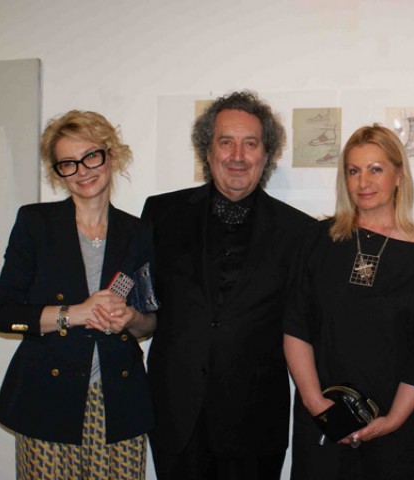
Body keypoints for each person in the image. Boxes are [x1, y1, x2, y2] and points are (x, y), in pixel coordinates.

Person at [283, 124, 414, 480]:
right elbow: (296, 325)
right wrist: (316, 405)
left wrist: (393, 420)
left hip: (399, 432)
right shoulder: (318, 241)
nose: (364, 182)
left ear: (399, 175)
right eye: (353, 171)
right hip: (323, 422)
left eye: (376, 169)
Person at [142, 90, 315, 480]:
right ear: (207, 151)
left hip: (256, 424)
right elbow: (140, 302)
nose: (237, 156)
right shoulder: (161, 215)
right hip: (176, 416)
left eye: (250, 144)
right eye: (226, 142)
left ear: (266, 156)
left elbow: (308, 325)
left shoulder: (300, 232)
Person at [0, 110, 157, 479]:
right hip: (47, 400)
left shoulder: (138, 232)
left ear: (110, 155)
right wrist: (76, 312)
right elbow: (3, 313)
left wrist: (131, 319)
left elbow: (149, 321)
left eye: (91, 156)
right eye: (68, 163)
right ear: (58, 172)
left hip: (119, 402)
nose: (82, 171)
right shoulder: (35, 224)